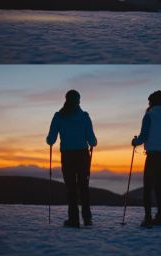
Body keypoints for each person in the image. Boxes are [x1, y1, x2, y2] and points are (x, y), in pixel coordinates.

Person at [46, 90, 97, 227]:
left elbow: (51, 139)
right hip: (82, 155)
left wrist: (49, 140)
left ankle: (73, 219)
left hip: (67, 155)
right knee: (84, 187)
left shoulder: (59, 116)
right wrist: (92, 143)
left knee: (71, 188)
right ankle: (87, 219)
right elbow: (92, 140)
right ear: (78, 101)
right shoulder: (85, 116)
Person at [131, 90, 161, 228]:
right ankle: (160, 217)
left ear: (152, 102)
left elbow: (143, 137)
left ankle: (148, 218)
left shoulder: (149, 116)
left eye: (149, 101)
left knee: (147, 188)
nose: (148, 104)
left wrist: (135, 142)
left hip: (153, 156)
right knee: (158, 187)